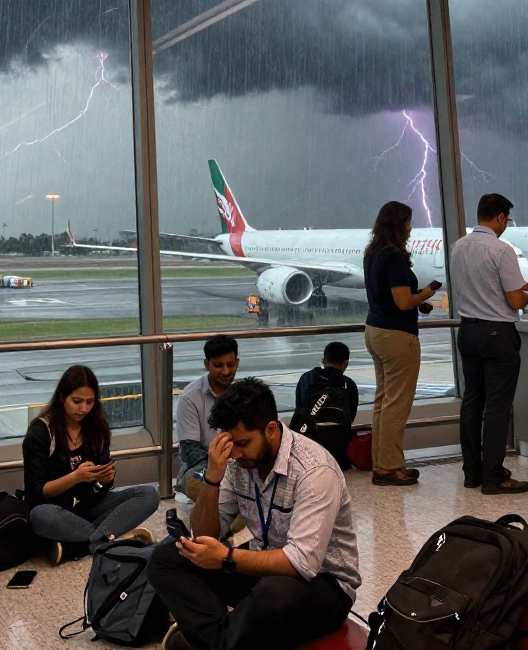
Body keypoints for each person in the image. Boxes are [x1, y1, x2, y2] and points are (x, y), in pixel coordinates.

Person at [148, 377, 360, 650]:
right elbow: (204, 535)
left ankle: (212, 639)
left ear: (271, 429)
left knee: (270, 595)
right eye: (229, 443)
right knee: (165, 558)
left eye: (243, 443)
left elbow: (301, 563)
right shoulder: (236, 463)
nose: (234, 454)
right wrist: (212, 478)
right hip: (262, 567)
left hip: (323, 585)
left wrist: (225, 557)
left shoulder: (314, 470)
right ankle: (222, 638)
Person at [23, 364, 159, 564]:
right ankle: (115, 539)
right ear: (62, 397)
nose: (83, 409)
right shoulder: (41, 432)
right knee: (40, 515)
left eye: (89, 402)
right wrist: (76, 477)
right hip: (54, 510)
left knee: (149, 494)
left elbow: (97, 492)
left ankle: (83, 544)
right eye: (77, 401)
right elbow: (37, 492)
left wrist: (105, 479)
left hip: (85, 508)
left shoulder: (97, 428)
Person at [449, 193, 528, 495]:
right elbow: (514, 300)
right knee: (497, 406)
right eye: (506, 220)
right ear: (500, 217)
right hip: (498, 334)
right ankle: (494, 475)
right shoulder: (501, 250)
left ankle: (472, 472)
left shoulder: (458, 247)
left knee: (473, 402)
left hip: (469, 331)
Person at [362, 201, 439, 487]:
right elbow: (404, 301)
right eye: (408, 222)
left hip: (375, 330)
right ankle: (390, 468)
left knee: (383, 402)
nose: (410, 227)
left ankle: (382, 463)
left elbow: (393, 297)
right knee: (397, 405)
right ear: (398, 224)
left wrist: (418, 301)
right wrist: (427, 292)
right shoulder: (394, 257)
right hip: (396, 336)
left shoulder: (373, 253)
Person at [176, 335, 240, 498]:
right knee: (197, 482)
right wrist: (221, 468)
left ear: (237, 363)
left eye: (230, 365)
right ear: (207, 364)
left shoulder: (244, 394)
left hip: (239, 461)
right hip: (205, 465)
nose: (226, 371)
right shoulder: (190, 397)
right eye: (218, 365)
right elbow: (190, 451)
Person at [290, 341, 359, 470]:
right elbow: (351, 416)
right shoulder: (349, 384)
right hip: (338, 457)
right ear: (345, 364)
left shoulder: (306, 378)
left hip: (308, 452)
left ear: (323, 360)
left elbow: (300, 409)